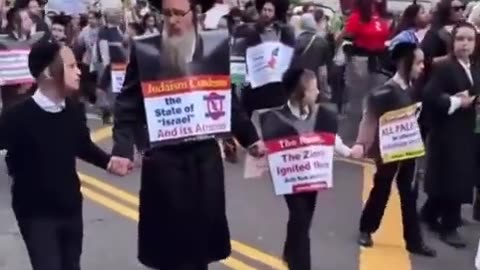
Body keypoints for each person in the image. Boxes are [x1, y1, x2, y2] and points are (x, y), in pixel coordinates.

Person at [109, 0, 265, 269]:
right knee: (172, 249)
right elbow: (126, 104)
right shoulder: (147, 51)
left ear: (194, 14)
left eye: (179, 14)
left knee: (200, 246)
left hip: (204, 161)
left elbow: (226, 99)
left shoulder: (214, 47)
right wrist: (122, 149)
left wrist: (250, 137)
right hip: (164, 161)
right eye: (167, 14)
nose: (172, 21)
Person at [0, 39, 131, 270]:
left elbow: (81, 144)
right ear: (49, 72)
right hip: (35, 213)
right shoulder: (16, 118)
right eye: (71, 66)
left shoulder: (72, 110)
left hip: (70, 207)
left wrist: (109, 161)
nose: (78, 71)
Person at [350, 34, 436, 257]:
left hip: (409, 150)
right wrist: (362, 143)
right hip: (388, 152)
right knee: (382, 188)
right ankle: (366, 229)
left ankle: (414, 241)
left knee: (409, 194)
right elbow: (369, 118)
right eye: (418, 62)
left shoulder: (416, 88)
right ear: (404, 63)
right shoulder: (386, 91)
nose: (421, 67)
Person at [261, 68, 351, 270]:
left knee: (303, 219)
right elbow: (269, 147)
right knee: (301, 220)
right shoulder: (276, 119)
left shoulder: (321, 114)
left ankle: (289, 250)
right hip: (291, 181)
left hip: (313, 177)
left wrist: (347, 151)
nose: (318, 92)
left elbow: (329, 138)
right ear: (300, 94)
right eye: (313, 89)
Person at [421, 22, 480, 248]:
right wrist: (457, 101)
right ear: (452, 42)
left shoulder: (472, 66)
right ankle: (449, 225)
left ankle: (429, 213)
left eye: (469, 39)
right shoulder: (444, 66)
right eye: (460, 39)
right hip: (447, 130)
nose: (465, 44)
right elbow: (430, 96)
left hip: (466, 129)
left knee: (456, 175)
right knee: (454, 177)